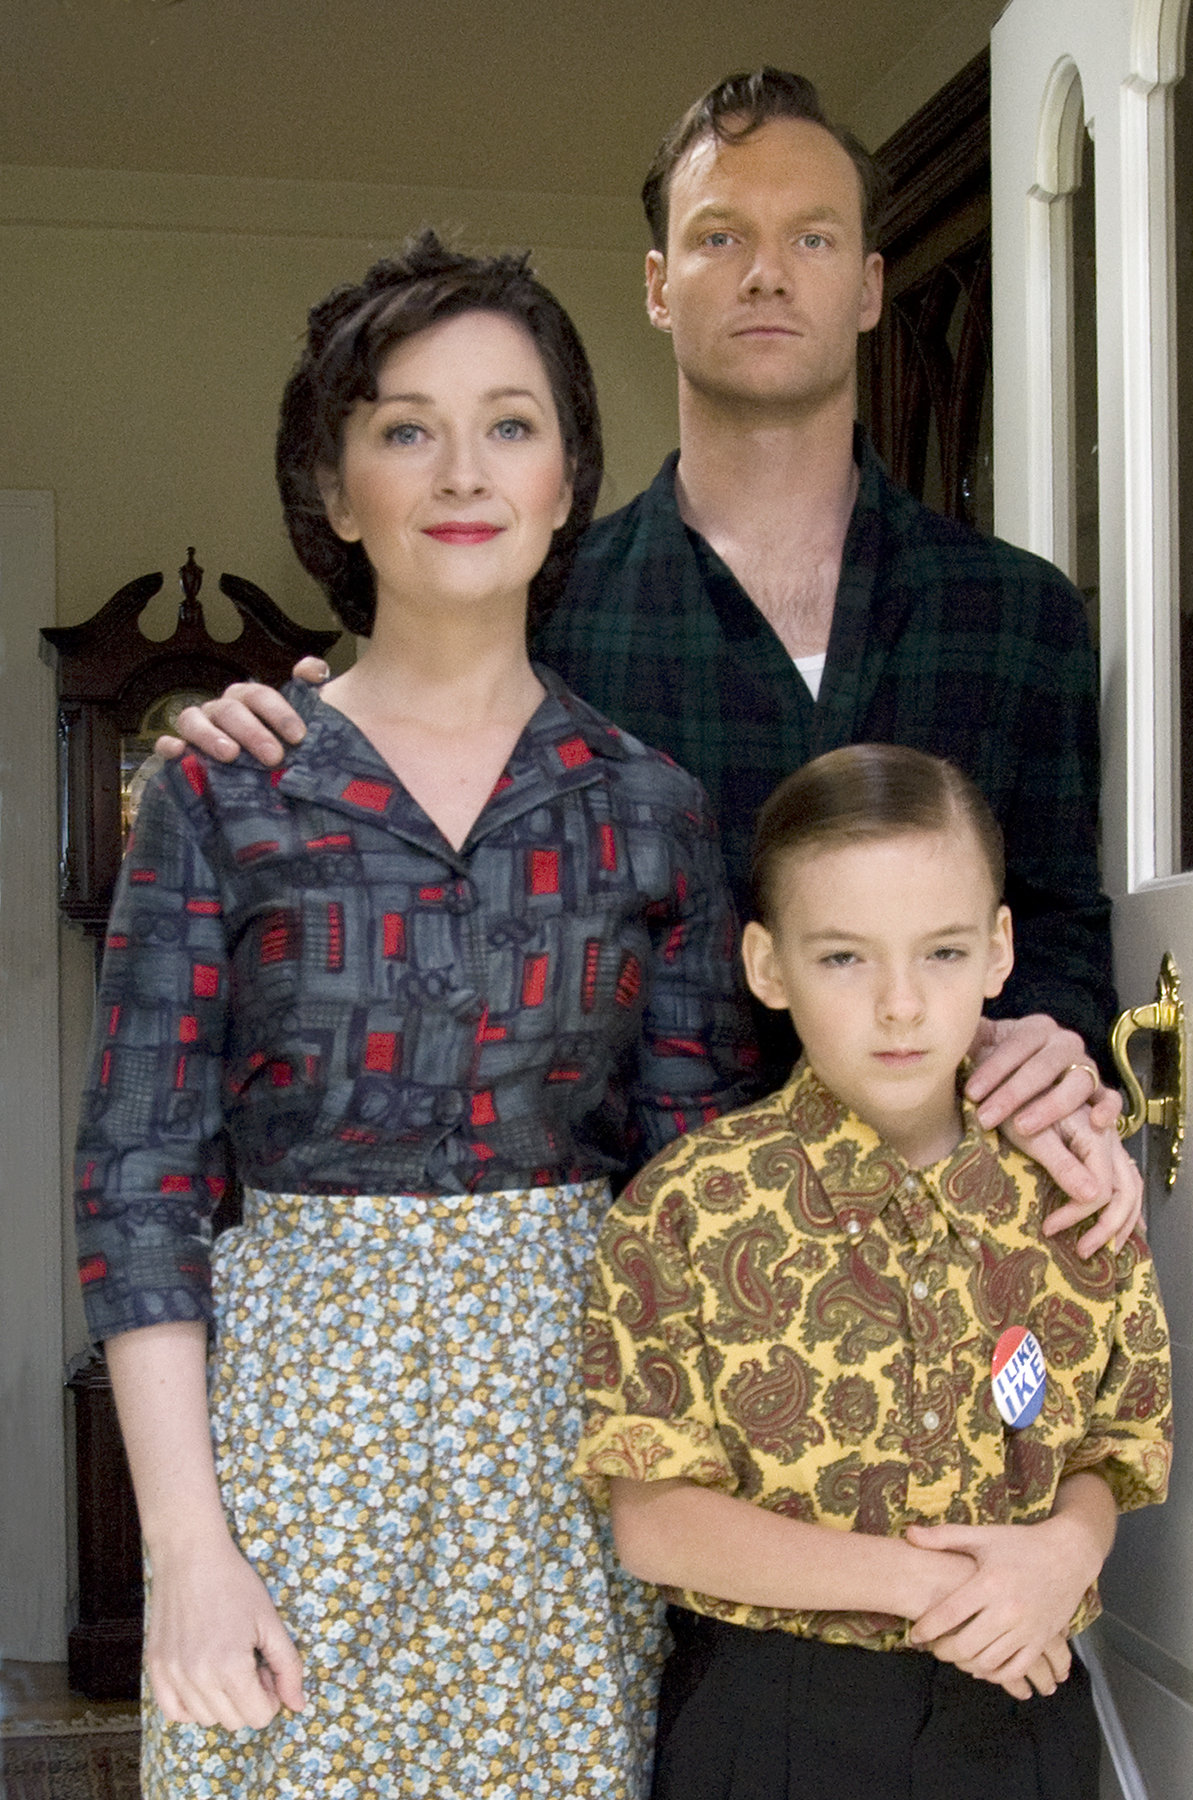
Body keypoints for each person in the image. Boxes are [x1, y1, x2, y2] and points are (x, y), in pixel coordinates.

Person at [159, 68, 1140, 1259]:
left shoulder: (1018, 616)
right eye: (720, 236)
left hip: (958, 1248)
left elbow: (1059, 928)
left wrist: (1055, 1030)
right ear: (659, 287)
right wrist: (279, 731)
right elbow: (402, 771)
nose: (768, 272)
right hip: (651, 1279)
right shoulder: (545, 604)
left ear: (872, 286)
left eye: (813, 237)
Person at [74, 234, 755, 1799]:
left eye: (511, 423)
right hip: (290, 1446)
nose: (463, 469)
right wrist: (185, 1547)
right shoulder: (222, 792)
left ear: (573, 476)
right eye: (405, 427)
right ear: (333, 486)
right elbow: (139, 1178)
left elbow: (699, 1194)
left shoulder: (648, 808)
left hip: (572, 1450)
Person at [575, 743, 1172, 1800]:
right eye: (845, 958)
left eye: (940, 953)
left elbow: (1114, 1445)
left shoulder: (1078, 1194)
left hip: (1022, 1704)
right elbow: (655, 1520)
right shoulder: (686, 1208)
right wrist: (945, 1591)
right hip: (775, 1725)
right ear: (768, 967)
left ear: (998, 952)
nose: (900, 1005)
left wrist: (1063, 1556)